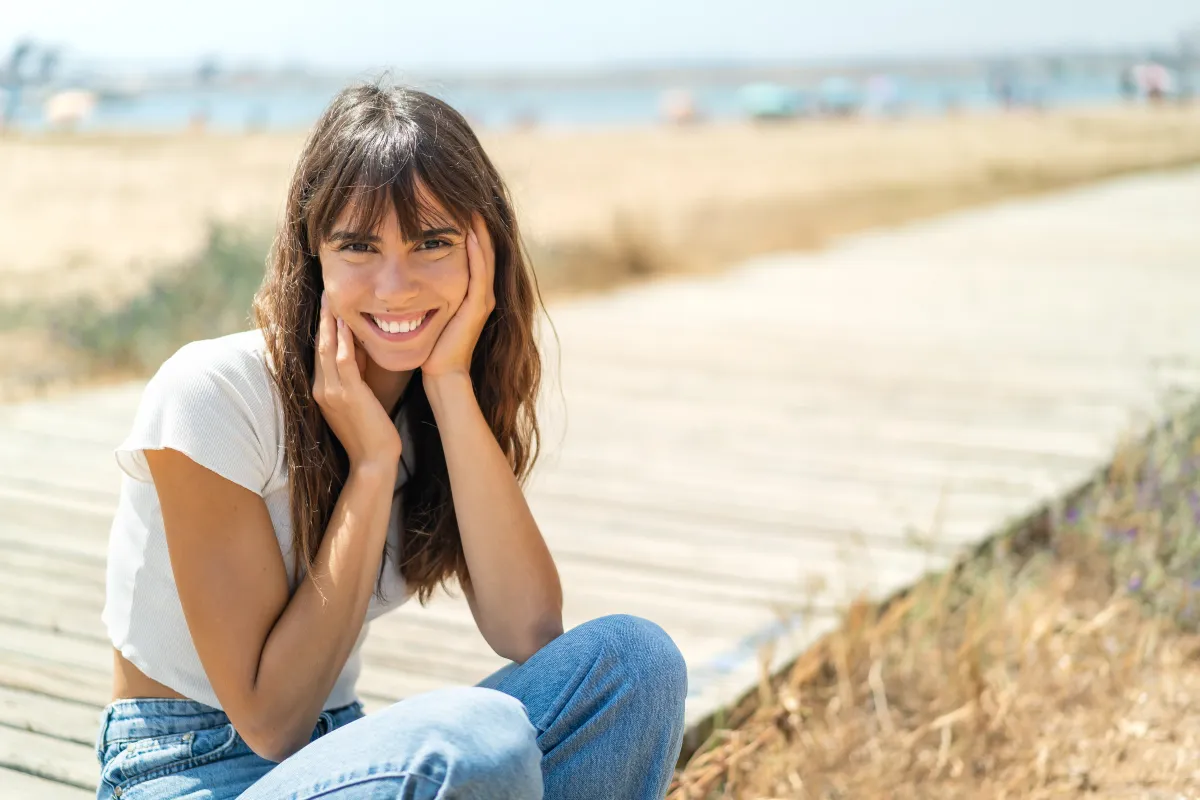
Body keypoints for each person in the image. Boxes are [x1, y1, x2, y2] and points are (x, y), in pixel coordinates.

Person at [94, 82, 688, 799]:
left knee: (635, 662)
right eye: (359, 246)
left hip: (346, 752)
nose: (396, 285)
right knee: (473, 739)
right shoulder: (215, 393)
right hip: (187, 770)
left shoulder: (435, 403)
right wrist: (372, 467)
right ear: (315, 253)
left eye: (433, 243)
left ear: (486, 252)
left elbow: (528, 630)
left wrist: (448, 382)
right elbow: (270, 722)